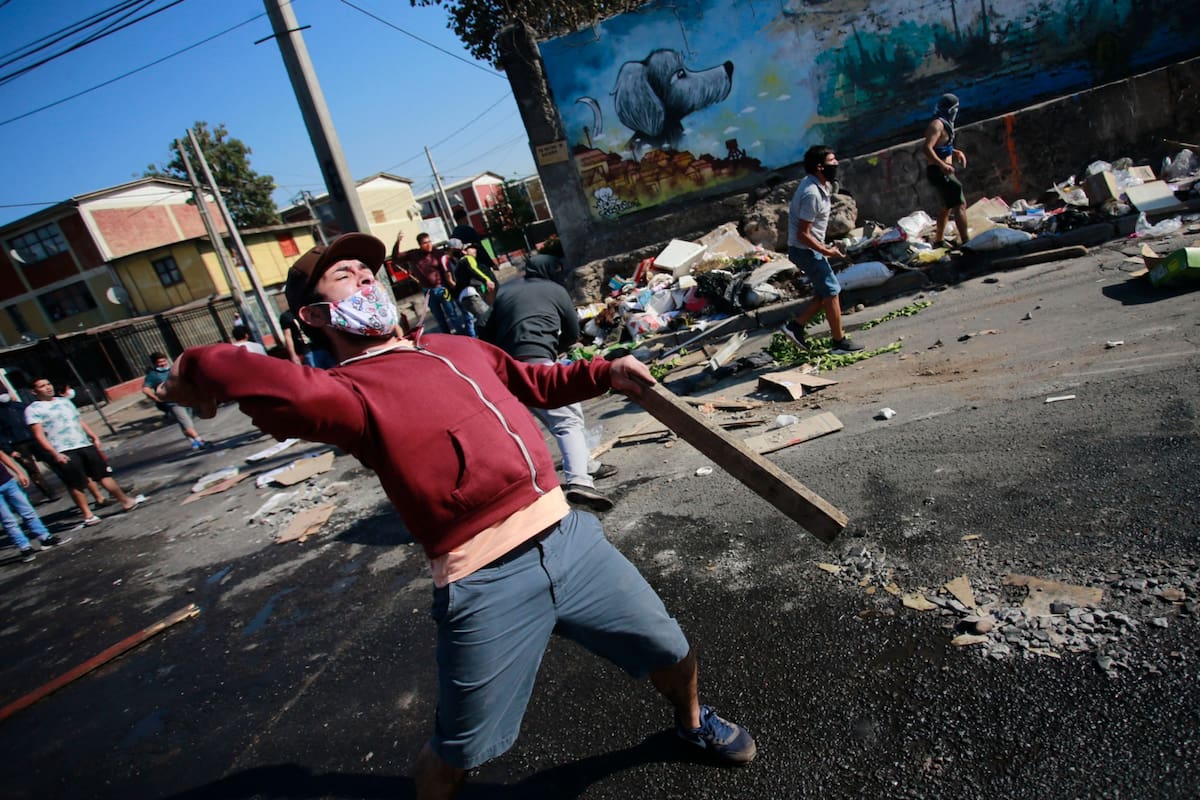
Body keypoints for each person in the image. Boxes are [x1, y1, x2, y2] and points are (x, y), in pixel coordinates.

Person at [156, 233, 756, 798]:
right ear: (314, 316)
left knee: (671, 649)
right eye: (346, 277)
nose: (367, 282)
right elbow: (246, 372)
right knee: (458, 750)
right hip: (484, 580)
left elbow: (535, 382)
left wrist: (606, 372)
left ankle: (692, 722)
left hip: (571, 538)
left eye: (371, 273)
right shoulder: (344, 394)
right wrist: (190, 376)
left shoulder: (456, 346)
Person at [484, 248, 618, 512]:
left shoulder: (506, 292)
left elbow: (485, 332)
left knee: (525, 428)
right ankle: (580, 482)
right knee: (567, 420)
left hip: (502, 371)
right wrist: (554, 349)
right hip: (536, 362)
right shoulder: (556, 291)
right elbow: (572, 332)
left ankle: (586, 466)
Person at [779, 145, 865, 354]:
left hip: (809, 249)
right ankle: (839, 342)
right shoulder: (811, 194)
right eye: (832, 161)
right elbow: (803, 233)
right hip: (805, 251)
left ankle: (796, 327)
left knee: (823, 292)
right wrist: (827, 251)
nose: (836, 164)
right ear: (820, 167)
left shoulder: (818, 186)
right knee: (833, 291)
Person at [24, 377, 145, 526]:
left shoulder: (64, 401)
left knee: (103, 475)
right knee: (76, 484)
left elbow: (79, 420)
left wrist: (93, 435)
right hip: (63, 449)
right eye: (42, 386)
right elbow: (39, 435)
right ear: (34, 391)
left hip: (83, 444)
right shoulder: (33, 409)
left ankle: (125, 501)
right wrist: (54, 453)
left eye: (49, 384)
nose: (48, 387)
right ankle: (88, 515)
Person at [0, 450, 67, 562]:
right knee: (8, 520)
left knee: (27, 511)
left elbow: (2, 455)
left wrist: (19, 473)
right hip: (7, 483)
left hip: (7, 481)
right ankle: (24, 547)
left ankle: (44, 537)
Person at [393, 231, 463, 334]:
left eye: (429, 241)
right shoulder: (414, 255)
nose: (428, 244)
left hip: (442, 289)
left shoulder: (437, 253)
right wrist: (398, 241)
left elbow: (447, 270)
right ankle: (448, 338)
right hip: (428, 292)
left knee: (452, 314)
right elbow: (396, 258)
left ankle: (462, 335)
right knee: (439, 317)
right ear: (420, 245)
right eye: (425, 243)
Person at [924, 92, 969, 247]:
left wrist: (956, 153)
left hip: (942, 170)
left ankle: (939, 240)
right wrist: (942, 165)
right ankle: (966, 242)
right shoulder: (937, 125)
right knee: (959, 203)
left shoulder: (946, 125)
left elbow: (943, 146)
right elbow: (927, 148)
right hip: (938, 171)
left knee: (946, 206)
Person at [142, 353, 209, 450]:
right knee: (186, 422)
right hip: (172, 403)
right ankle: (201, 441)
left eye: (164, 361)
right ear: (155, 364)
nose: (163, 364)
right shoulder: (153, 375)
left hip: (186, 398)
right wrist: (157, 398)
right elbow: (145, 389)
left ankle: (193, 442)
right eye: (159, 362)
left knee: (187, 423)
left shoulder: (174, 369)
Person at [0, 392, 57, 501]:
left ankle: (69, 482)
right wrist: (9, 450)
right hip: (18, 445)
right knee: (32, 470)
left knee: (53, 461)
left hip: (34, 438)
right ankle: (49, 493)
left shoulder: (20, 406)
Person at [449, 239, 495, 338]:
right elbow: (474, 270)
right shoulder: (467, 259)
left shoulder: (459, 264)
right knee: (488, 319)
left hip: (465, 296)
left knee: (483, 319)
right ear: (464, 251)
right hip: (470, 295)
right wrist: (487, 280)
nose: (475, 250)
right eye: (471, 248)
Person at [450, 207, 498, 276]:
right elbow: (479, 248)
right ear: (464, 218)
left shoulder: (454, 234)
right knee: (492, 283)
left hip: (467, 267)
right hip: (479, 263)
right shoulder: (469, 230)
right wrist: (491, 263)